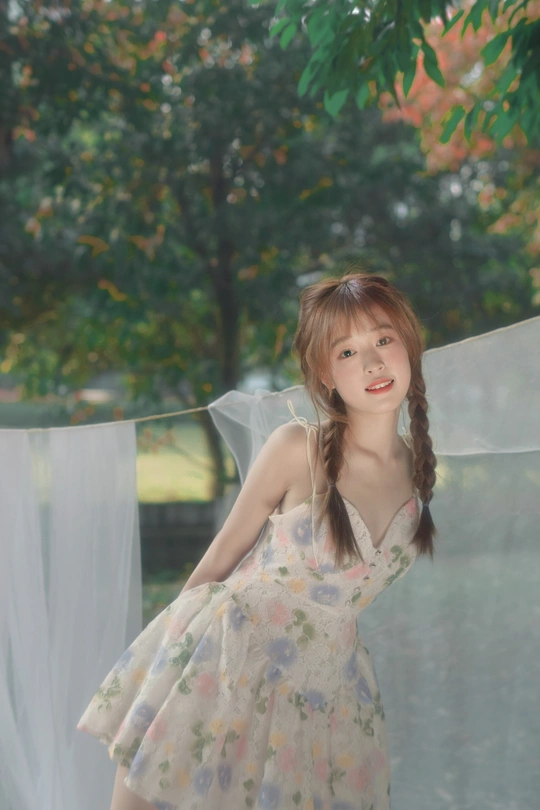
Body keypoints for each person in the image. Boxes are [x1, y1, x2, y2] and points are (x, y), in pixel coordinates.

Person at [76, 271, 438, 810]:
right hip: (230, 658)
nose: (372, 363)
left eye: (383, 339)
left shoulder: (417, 468)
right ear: (325, 374)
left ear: (408, 344)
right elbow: (220, 558)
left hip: (330, 691)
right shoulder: (297, 447)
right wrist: (168, 671)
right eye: (346, 351)